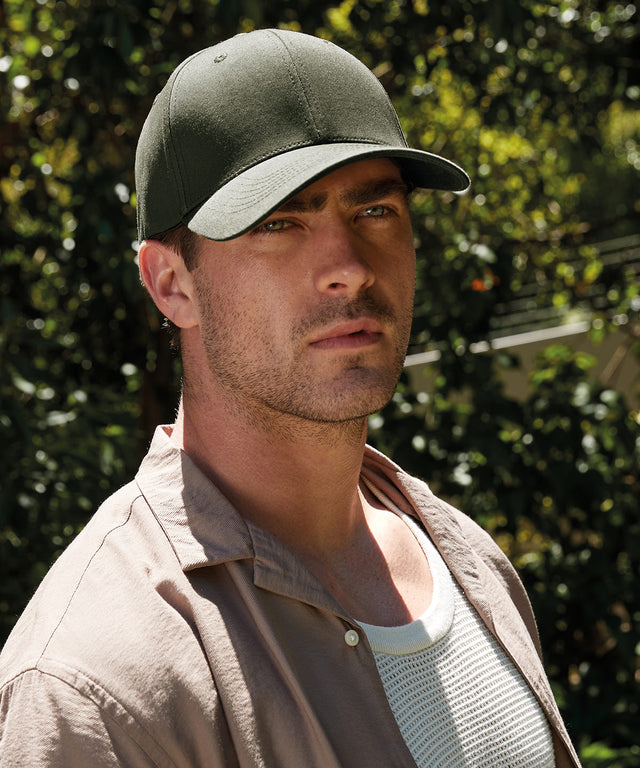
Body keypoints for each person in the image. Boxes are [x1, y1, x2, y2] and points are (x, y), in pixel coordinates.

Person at [0, 28, 580, 767]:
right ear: (171, 283)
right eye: (278, 223)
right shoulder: (98, 685)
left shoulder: (466, 560)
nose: (348, 267)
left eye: (375, 212)